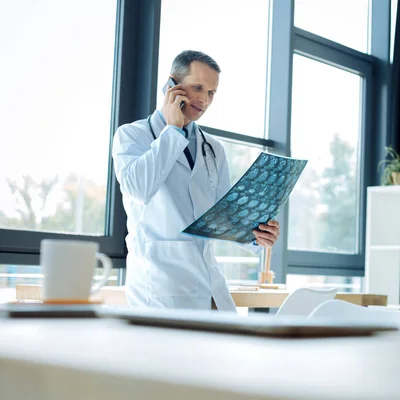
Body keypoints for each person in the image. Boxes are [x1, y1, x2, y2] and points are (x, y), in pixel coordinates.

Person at [111, 50, 280, 311]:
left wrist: (257, 236)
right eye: (197, 87)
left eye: (211, 92)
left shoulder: (213, 148)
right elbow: (139, 189)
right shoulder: (132, 136)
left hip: (212, 287)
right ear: (171, 86)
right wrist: (173, 130)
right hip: (161, 289)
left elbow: (223, 218)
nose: (204, 99)